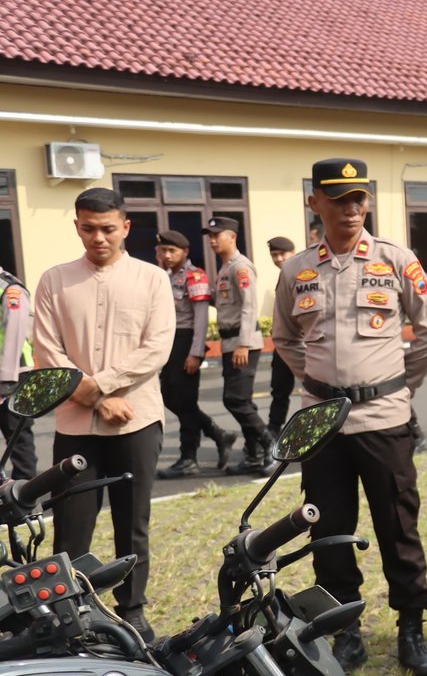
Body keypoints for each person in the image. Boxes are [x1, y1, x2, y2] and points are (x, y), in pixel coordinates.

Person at [272, 158, 427, 676]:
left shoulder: (395, 260)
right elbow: (284, 337)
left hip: (384, 418)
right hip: (323, 424)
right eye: (338, 199)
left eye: (358, 199)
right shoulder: (296, 270)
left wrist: (394, 383)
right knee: (327, 529)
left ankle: (410, 628)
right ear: (314, 203)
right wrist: (322, 385)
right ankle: (344, 629)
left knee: (398, 526)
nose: (350, 209)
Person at [33, 187, 176, 641]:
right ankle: (65, 611)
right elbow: (47, 354)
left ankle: (131, 609)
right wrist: (95, 398)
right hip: (76, 426)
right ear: (76, 225)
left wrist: (104, 383)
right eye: (89, 228)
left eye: (108, 229)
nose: (98, 238)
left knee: (131, 523)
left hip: (136, 420)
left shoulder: (151, 278)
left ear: (125, 228)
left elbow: (156, 348)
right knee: (70, 525)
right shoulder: (54, 281)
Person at [153, 230, 235, 478]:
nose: (167, 255)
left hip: (187, 341)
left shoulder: (195, 275)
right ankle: (218, 434)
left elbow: (200, 319)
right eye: (163, 251)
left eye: (172, 251)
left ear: (185, 252)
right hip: (169, 342)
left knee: (185, 402)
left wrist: (196, 353)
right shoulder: (164, 276)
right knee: (168, 397)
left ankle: (189, 457)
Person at [202, 217, 272, 475]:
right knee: (241, 400)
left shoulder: (241, 267)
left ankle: (270, 444)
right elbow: (225, 303)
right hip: (230, 342)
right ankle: (253, 454)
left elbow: (249, 305)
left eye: (216, 235)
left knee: (235, 400)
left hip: (243, 343)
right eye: (209, 235)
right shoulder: (225, 268)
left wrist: (243, 344)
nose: (211, 240)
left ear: (231, 237)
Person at [0, 267, 36, 479]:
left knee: (18, 438)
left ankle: (26, 495)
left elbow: (14, 333)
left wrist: (6, 379)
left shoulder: (10, 288)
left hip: (13, 375)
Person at [266, 235, 298, 441]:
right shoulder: (284, 275)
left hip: (307, 342)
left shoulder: (304, 273)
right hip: (285, 342)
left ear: (292, 253)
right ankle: (273, 431)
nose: (278, 258)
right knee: (279, 390)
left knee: (320, 391)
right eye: (274, 255)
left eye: (282, 254)